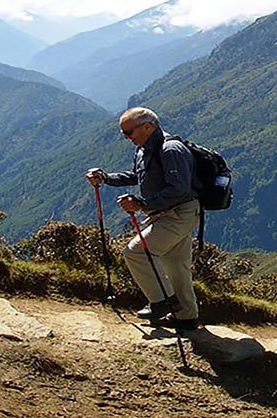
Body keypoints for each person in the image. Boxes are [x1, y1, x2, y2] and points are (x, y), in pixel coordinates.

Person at [85, 107, 201, 330]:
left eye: (128, 132)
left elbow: (180, 189)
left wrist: (142, 204)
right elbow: (137, 176)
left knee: (137, 251)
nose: (126, 138)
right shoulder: (144, 149)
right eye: (124, 133)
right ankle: (186, 317)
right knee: (175, 265)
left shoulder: (171, 149)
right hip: (170, 214)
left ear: (147, 126)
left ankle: (163, 302)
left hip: (179, 213)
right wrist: (106, 178)